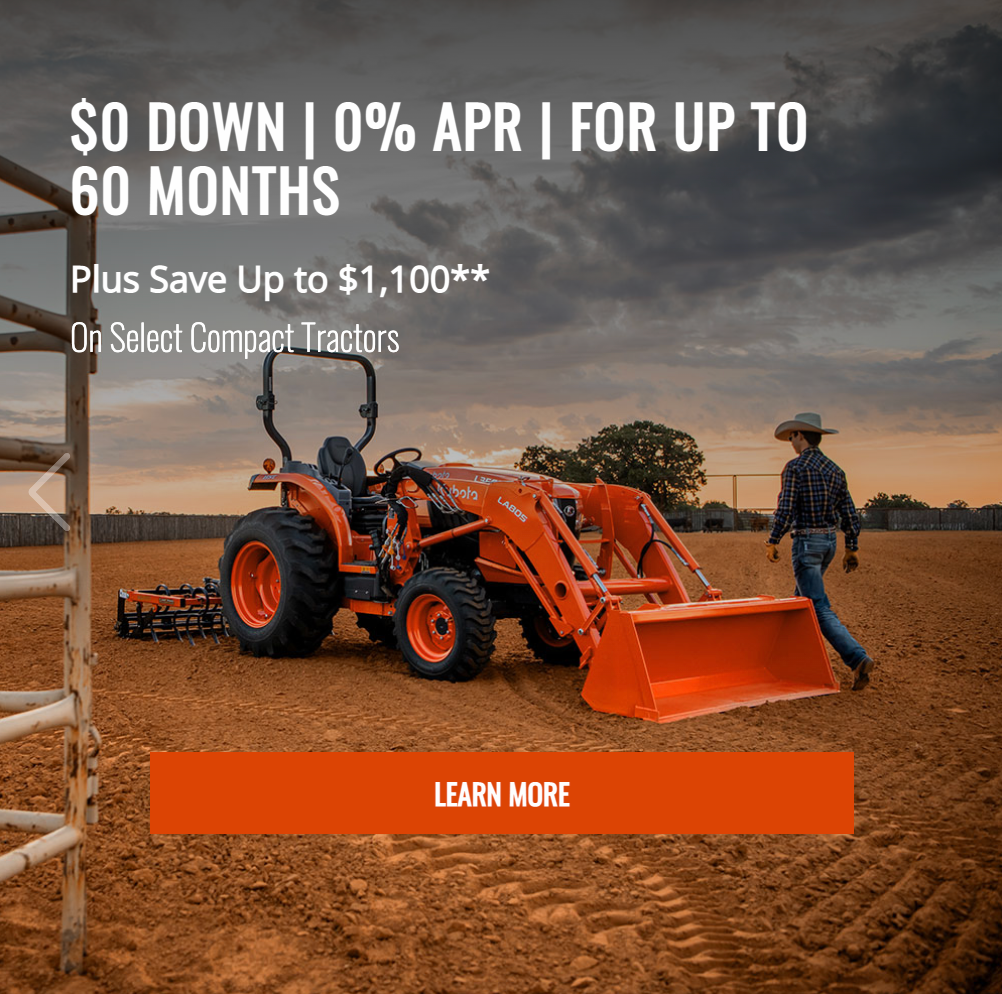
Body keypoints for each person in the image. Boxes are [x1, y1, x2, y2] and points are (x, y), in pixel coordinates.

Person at [765, 412, 877, 690]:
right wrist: (852, 546)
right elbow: (849, 512)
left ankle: (857, 657)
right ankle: (786, 659)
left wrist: (773, 539)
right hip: (829, 542)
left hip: (806, 543)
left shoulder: (795, 468)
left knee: (817, 605)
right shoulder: (835, 470)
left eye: (792, 436)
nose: (790, 441)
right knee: (800, 600)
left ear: (801, 436)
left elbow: (786, 508)